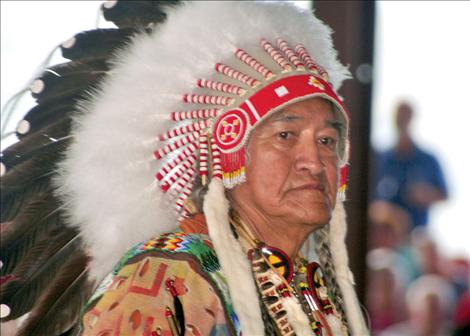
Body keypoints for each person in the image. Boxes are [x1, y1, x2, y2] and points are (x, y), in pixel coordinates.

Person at [0, 1, 368, 335]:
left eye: (327, 141)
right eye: (286, 135)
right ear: (226, 155)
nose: (314, 162)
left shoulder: (313, 288)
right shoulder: (166, 279)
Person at [371, 102, 448, 229]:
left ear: (411, 119)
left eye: (405, 117)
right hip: (383, 234)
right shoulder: (381, 159)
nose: (402, 122)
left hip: (416, 232)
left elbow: (444, 194)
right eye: (399, 117)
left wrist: (425, 194)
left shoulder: (428, 159)